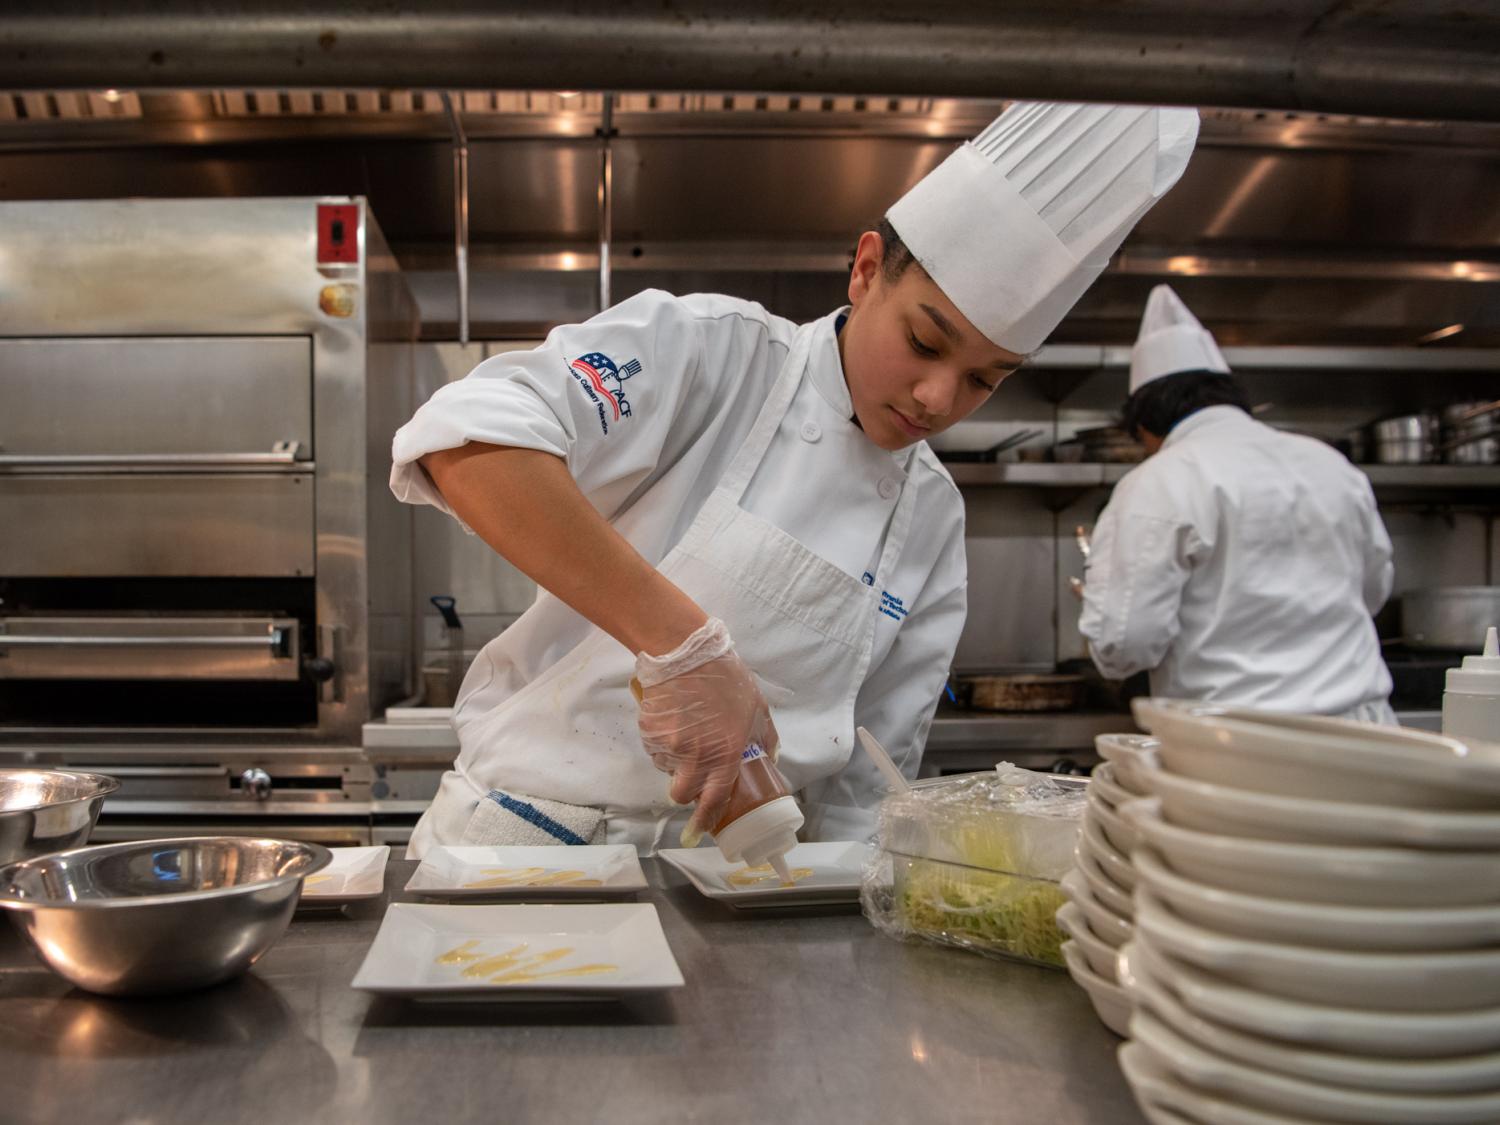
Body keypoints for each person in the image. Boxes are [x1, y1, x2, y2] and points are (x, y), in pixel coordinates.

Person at [392, 102, 1201, 856]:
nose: (937, 398)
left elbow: (870, 780)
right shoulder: (716, 353)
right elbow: (468, 439)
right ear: (867, 268)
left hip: (740, 880)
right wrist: (683, 646)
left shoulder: (932, 516)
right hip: (530, 846)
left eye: (985, 379)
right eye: (925, 343)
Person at [1078, 285, 1397, 723]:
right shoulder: (1331, 465)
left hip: (1239, 742)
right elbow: (1373, 591)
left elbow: (1123, 646)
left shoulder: (1158, 480)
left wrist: (1098, 598)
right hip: (1364, 734)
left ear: (1145, 424)